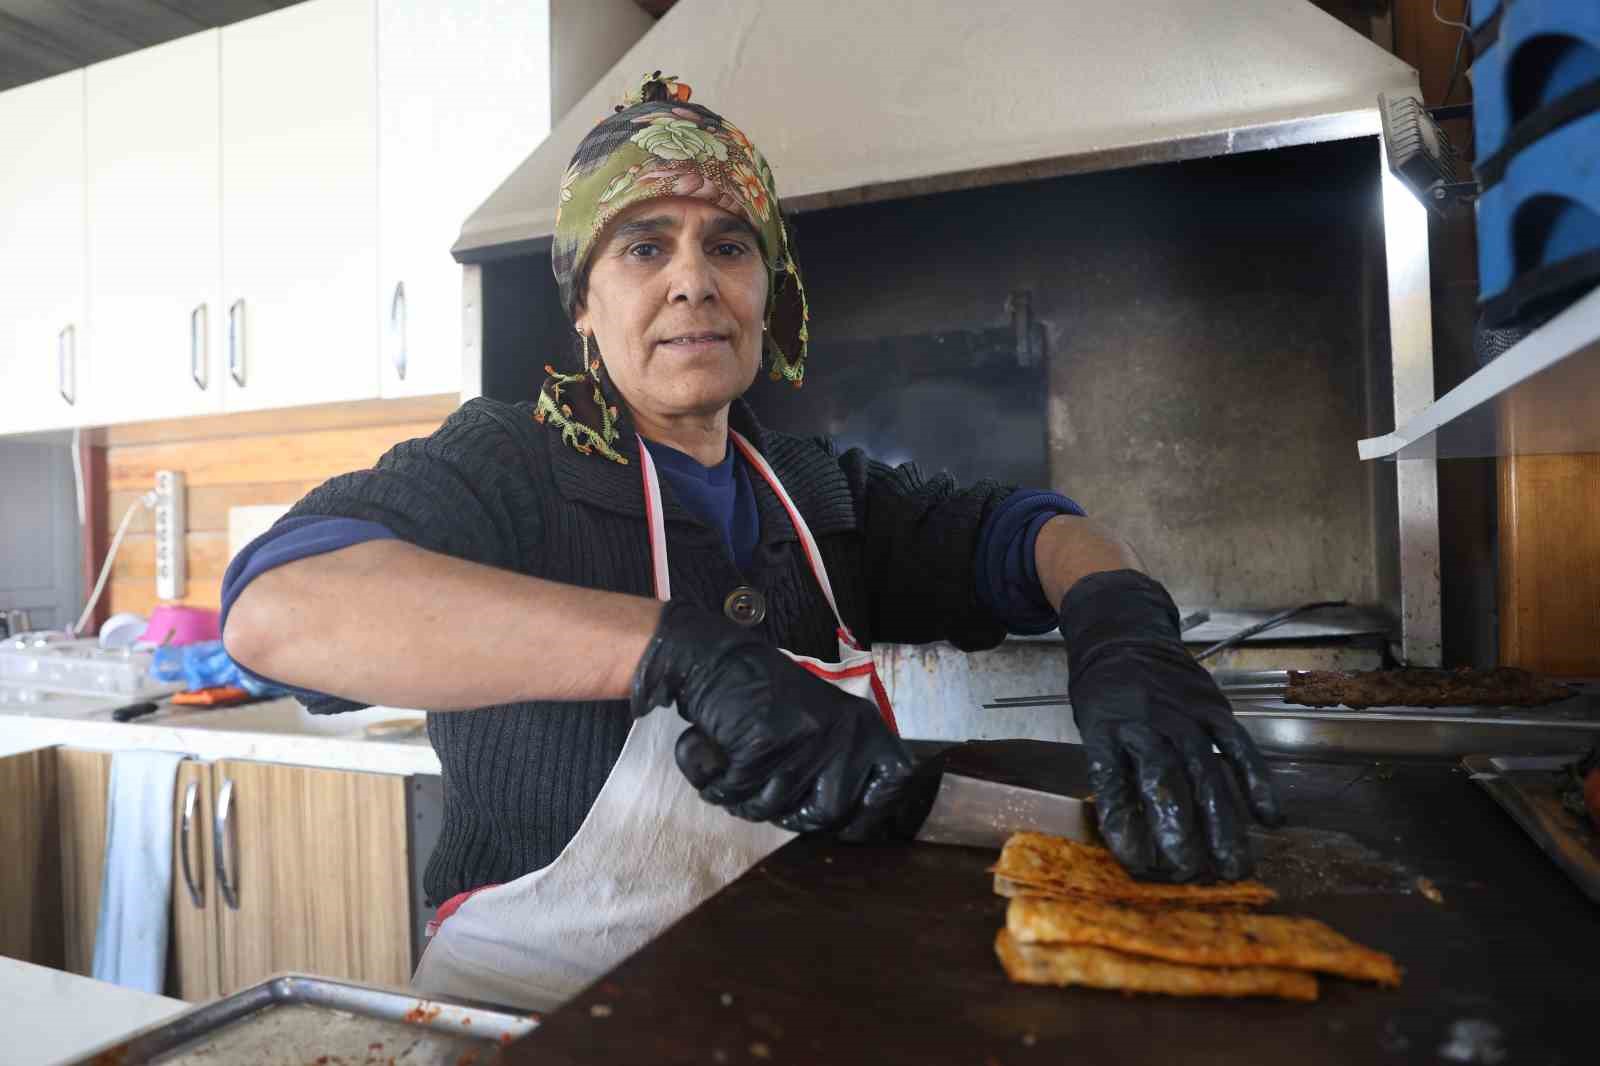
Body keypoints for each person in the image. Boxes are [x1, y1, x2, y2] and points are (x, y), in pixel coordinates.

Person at [220, 72, 1281, 1012]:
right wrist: (673, 649)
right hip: (529, 1013)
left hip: (778, 998)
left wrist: (1121, 624)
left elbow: (1029, 530)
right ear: (582, 307)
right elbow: (278, 610)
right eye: (644, 247)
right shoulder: (509, 465)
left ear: (767, 295)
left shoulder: (818, 491)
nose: (693, 280)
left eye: (728, 245)